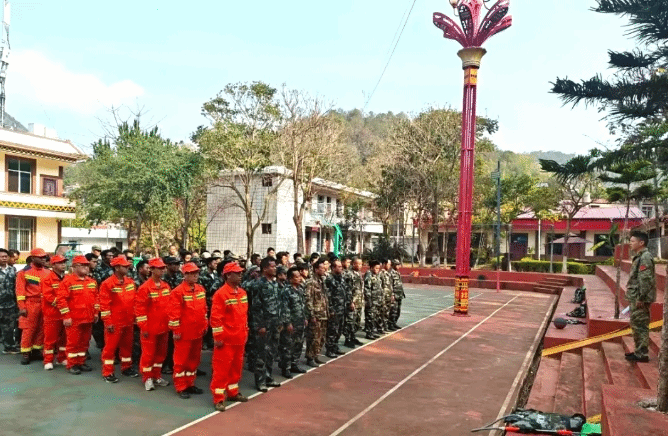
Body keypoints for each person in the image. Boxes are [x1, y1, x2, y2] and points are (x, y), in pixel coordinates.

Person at [210, 262, 250, 411]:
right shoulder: (221, 294)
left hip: (239, 338)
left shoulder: (242, 293)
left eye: (240, 273)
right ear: (228, 275)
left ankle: (233, 392)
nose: (240, 275)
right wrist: (218, 337)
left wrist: (245, 330)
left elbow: (244, 315)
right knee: (221, 370)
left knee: (236, 368)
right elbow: (216, 318)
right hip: (226, 340)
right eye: (237, 273)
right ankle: (218, 398)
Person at [168, 262, 208, 399]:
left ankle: (190, 383)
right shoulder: (177, 292)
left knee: (194, 360)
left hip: (197, 332)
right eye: (192, 273)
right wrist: (176, 331)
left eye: (196, 273)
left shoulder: (201, 289)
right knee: (181, 361)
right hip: (184, 333)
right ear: (185, 275)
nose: (195, 275)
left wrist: (205, 325)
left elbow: (204, 310)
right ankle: (180, 386)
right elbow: (174, 314)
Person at [99, 256, 138, 382]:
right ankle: (107, 372)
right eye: (124, 266)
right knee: (110, 348)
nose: (127, 268)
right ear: (116, 268)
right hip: (115, 321)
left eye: (127, 266)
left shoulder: (130, 282)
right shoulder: (107, 284)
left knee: (127, 346)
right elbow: (104, 305)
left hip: (128, 320)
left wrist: (136, 317)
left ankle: (126, 367)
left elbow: (135, 301)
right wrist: (108, 322)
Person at [135, 258, 172, 391]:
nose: (163, 271)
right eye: (160, 268)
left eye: (163, 268)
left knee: (161, 354)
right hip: (150, 328)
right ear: (152, 270)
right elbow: (140, 309)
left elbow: (169, 306)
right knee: (148, 354)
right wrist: (143, 326)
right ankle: (147, 378)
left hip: (164, 327)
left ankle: (156, 375)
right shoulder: (145, 288)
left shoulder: (166, 286)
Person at [58, 256, 98, 375]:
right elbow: (61, 300)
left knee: (85, 342)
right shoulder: (67, 281)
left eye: (87, 265)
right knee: (73, 343)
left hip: (88, 318)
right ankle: (72, 364)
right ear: (74, 267)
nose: (86, 267)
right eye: (83, 265)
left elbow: (96, 298)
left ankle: (81, 362)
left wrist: (96, 313)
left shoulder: (92, 282)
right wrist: (66, 316)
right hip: (74, 319)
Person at [248, 257, 283, 392]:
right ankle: (260, 380)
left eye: (275, 266)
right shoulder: (259, 284)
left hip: (274, 323)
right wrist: (260, 325)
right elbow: (256, 307)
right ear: (265, 269)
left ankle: (268, 377)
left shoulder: (274, 284)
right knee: (261, 353)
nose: (275, 269)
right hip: (264, 324)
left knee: (271, 352)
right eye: (272, 267)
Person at [625, 231, 656, 363]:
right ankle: (639, 351)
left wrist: (641, 298)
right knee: (636, 324)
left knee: (640, 325)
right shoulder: (640, 256)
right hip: (636, 296)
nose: (630, 244)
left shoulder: (645, 257)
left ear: (641, 243)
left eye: (632, 241)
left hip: (640, 298)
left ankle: (642, 354)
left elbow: (645, 279)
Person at [16, 248, 51, 365]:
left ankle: (36, 350)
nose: (43, 259)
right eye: (40, 257)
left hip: (44, 303)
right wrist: (22, 307)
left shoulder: (48, 272)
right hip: (31, 303)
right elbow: (20, 292)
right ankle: (25, 353)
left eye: (44, 257)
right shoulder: (23, 272)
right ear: (32, 258)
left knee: (42, 328)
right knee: (28, 329)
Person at [41, 255, 68, 369]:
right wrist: (63, 304)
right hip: (52, 313)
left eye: (64, 262)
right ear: (53, 265)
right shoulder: (47, 279)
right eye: (60, 263)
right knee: (50, 338)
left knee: (64, 338)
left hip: (64, 313)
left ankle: (61, 358)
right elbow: (48, 296)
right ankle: (48, 360)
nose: (63, 264)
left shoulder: (67, 278)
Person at [281, 267, 307, 375]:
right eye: (296, 277)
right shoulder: (286, 291)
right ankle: (286, 368)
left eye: (300, 276)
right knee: (288, 346)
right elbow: (285, 308)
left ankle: (294, 364)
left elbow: (303, 304)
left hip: (300, 321)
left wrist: (305, 317)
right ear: (290, 278)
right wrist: (287, 323)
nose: (299, 278)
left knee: (298, 344)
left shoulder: (300, 289)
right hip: (291, 323)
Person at [305, 258, 329, 367]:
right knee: (313, 336)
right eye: (322, 268)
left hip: (323, 313)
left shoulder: (321, 280)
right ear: (315, 269)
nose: (324, 270)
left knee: (321, 337)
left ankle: (316, 355)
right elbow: (308, 299)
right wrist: (311, 315)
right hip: (316, 314)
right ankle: (310, 357)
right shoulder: (311, 282)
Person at [324, 259, 347, 357]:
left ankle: (335, 346)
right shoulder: (329, 279)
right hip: (334, 309)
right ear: (333, 268)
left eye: (341, 266)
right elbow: (328, 296)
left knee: (339, 329)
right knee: (332, 330)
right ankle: (329, 349)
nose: (341, 268)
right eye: (339, 267)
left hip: (342, 308)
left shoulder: (341, 278)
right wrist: (331, 309)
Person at [199, 255, 221, 350]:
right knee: (205, 321)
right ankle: (204, 341)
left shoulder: (216, 275)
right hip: (206, 300)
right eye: (214, 263)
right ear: (209, 264)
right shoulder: (203, 275)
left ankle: (211, 340)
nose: (216, 265)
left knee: (213, 321)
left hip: (214, 302)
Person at [0, 248, 18, 354]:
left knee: (9, 327)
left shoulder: (12, 270)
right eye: (2, 256)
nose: (4, 258)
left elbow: (16, 286)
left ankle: (9, 347)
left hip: (9, 304)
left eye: (5, 256)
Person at [343, 257, 363, 348]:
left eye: (361, 264)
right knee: (350, 321)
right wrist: (350, 302)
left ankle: (353, 337)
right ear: (353, 264)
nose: (359, 266)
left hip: (358, 301)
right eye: (357, 264)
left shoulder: (358, 273)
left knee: (356, 321)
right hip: (352, 302)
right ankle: (348, 339)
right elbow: (348, 289)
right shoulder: (348, 274)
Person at [364, 260, 383, 340]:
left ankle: (372, 331)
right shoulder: (369, 275)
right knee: (370, 318)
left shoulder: (377, 276)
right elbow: (367, 289)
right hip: (371, 301)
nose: (377, 270)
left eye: (378, 268)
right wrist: (369, 301)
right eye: (376, 268)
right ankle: (369, 332)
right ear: (371, 268)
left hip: (377, 301)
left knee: (375, 317)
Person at [389, 260, 406, 330]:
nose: (399, 266)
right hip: (394, 295)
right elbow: (390, 285)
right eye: (397, 265)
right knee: (393, 311)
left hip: (399, 295)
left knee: (398, 311)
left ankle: (394, 323)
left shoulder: (397, 272)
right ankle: (390, 324)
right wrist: (392, 294)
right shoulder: (391, 273)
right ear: (393, 265)